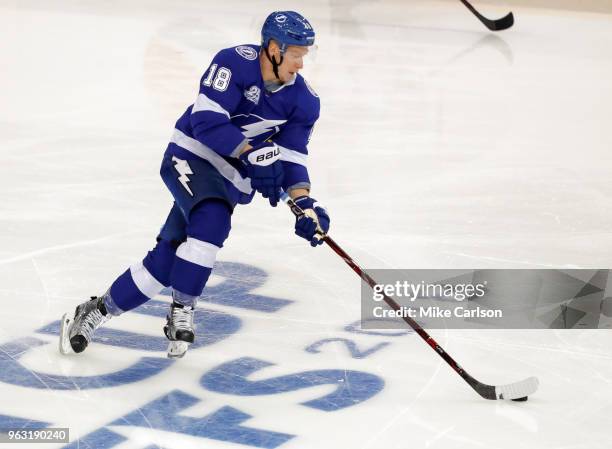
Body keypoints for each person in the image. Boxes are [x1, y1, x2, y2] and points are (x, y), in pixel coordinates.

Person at [59, 11, 330, 358]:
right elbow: (206, 121)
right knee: (212, 220)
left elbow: (292, 158)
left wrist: (304, 203)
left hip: (229, 176)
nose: (300, 65)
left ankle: (95, 311)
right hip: (191, 153)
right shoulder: (233, 63)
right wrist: (251, 153)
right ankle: (182, 308)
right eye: (295, 55)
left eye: (304, 56)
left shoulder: (305, 100)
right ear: (274, 48)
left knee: (164, 263)